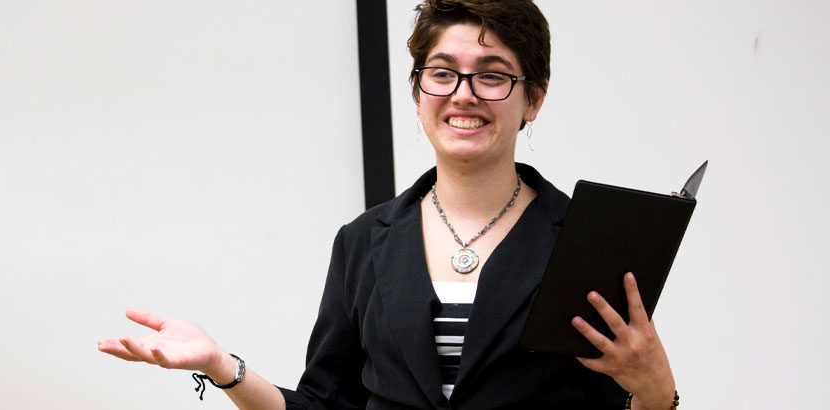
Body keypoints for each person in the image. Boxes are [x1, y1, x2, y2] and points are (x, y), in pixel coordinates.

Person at [97, 1, 678, 408]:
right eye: (442, 74)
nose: (463, 95)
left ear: (534, 99)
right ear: (418, 90)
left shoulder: (584, 239)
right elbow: (325, 406)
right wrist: (224, 367)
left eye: (493, 76)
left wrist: (657, 393)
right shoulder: (362, 241)